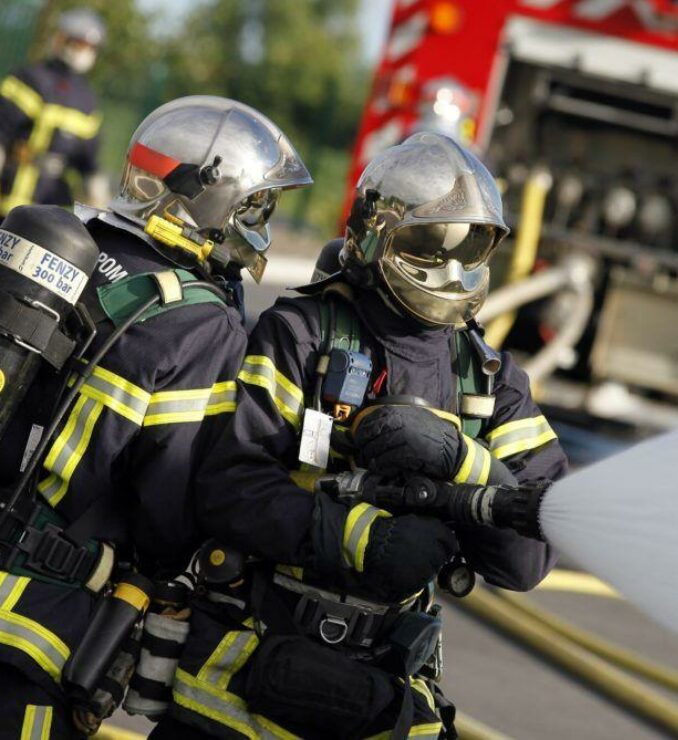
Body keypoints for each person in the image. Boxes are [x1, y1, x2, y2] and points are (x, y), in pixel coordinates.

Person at [155, 132, 567, 739]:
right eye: (431, 243)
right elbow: (228, 486)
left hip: (382, 695)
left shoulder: (491, 383)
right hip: (242, 688)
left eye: (472, 244)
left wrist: (466, 463)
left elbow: (527, 560)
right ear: (374, 235)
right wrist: (361, 540)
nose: (452, 269)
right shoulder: (301, 333)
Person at [0, 95, 311, 738]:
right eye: (255, 207)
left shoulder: (60, 237)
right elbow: (168, 505)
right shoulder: (198, 321)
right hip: (33, 621)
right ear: (215, 202)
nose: (260, 226)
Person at [0, 8, 107, 217]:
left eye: (90, 48)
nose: (83, 52)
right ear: (60, 40)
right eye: (78, 44)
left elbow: (89, 163)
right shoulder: (29, 79)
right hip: (9, 196)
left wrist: (99, 202)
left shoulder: (87, 101)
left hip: (49, 210)